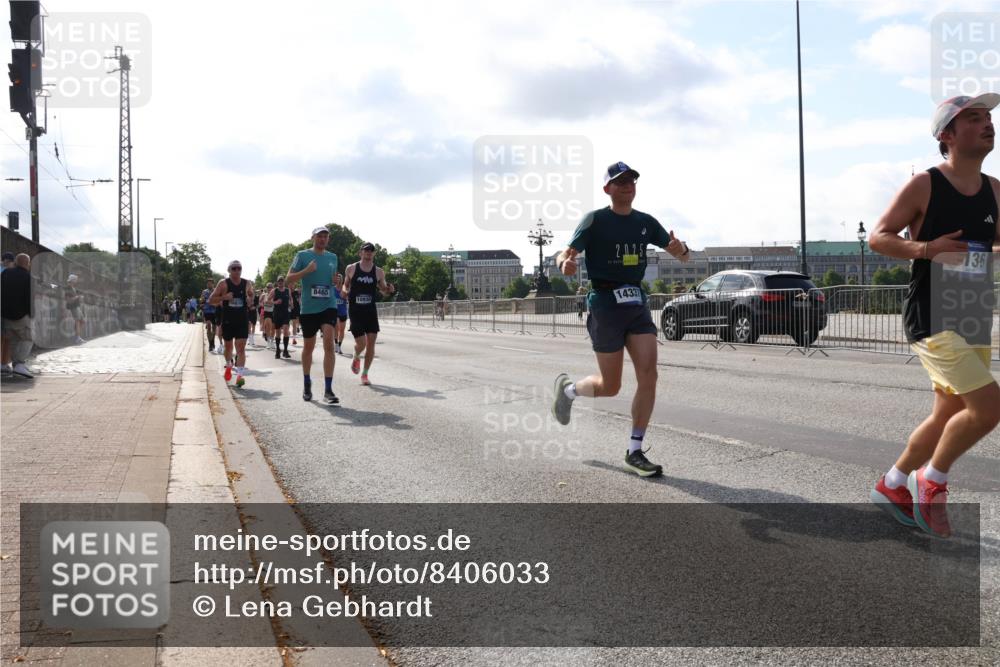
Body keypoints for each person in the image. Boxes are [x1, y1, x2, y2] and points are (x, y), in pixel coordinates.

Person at [868, 94, 1000, 538]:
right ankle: (933, 479)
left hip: (974, 314)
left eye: (988, 118)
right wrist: (927, 248)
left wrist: (985, 252)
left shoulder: (995, 190)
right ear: (947, 134)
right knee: (988, 408)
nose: (987, 124)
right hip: (932, 315)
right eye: (974, 118)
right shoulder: (926, 184)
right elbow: (879, 237)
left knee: (949, 412)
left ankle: (892, 483)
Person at [551, 161, 691, 477]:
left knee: (649, 374)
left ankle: (635, 451)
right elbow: (565, 253)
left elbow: (683, 256)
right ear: (607, 189)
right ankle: (569, 391)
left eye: (631, 180)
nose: (628, 185)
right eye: (620, 181)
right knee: (610, 386)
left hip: (636, 304)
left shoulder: (645, 222)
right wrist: (563, 264)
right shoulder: (595, 220)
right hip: (605, 305)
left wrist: (680, 249)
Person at [286, 227, 340, 404]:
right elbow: (288, 279)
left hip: (328, 305)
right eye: (319, 236)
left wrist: (336, 281)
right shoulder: (302, 255)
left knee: (329, 344)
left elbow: (333, 282)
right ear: (313, 238)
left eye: (325, 236)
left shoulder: (333, 257)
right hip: (309, 309)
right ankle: (307, 383)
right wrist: (306, 271)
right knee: (308, 348)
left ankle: (328, 390)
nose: (323, 239)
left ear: (328, 239)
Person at [342, 241, 395, 386]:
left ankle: (365, 374)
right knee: (361, 343)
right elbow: (346, 285)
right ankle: (356, 355)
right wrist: (345, 291)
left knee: (371, 343)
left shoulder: (379, 271)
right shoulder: (351, 268)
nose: (368, 253)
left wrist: (389, 290)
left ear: (374, 253)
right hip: (355, 311)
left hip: (370, 311)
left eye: (371, 251)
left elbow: (383, 290)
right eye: (366, 250)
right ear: (360, 253)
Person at [208, 261, 254, 388]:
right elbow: (211, 300)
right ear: (229, 270)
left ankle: (240, 376)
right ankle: (229, 364)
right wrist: (224, 297)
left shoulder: (247, 283)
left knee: (241, 348)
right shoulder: (223, 283)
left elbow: (251, 295)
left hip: (242, 320)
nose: (237, 270)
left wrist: (250, 299)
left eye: (239, 268)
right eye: (234, 268)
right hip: (228, 320)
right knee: (228, 348)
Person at [1, 254, 33, 378]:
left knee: (14, 340)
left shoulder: (5, 273)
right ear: (28, 263)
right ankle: (19, 364)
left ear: (15, 262)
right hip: (21, 315)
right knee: (28, 338)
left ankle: (16, 365)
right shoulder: (28, 277)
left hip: (5, 314)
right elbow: (29, 298)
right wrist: (31, 314)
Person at [268, 277, 293, 359]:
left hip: (285, 313)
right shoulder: (274, 290)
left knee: (286, 330)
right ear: (277, 282)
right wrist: (275, 302)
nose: (280, 282)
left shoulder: (288, 290)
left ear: (284, 282)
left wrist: (291, 303)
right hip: (277, 313)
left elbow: (290, 298)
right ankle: (278, 350)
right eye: (279, 281)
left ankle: (285, 350)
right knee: (278, 332)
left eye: (282, 281)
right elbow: (268, 300)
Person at [65, 274, 86, 344]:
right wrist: (77, 297)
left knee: (82, 321)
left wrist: (79, 298)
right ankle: (77, 338)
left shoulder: (73, 288)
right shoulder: (68, 288)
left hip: (77, 306)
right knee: (77, 321)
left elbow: (75, 297)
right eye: (75, 279)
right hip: (73, 307)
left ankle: (76, 336)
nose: (76, 281)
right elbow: (68, 299)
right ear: (72, 280)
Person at [201, 279, 219, 354]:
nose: (209, 285)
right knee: (208, 326)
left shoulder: (216, 291)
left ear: (213, 284)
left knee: (214, 328)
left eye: (210, 283)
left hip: (214, 311)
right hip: (207, 311)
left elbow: (218, 300)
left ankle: (213, 342)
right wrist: (202, 303)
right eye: (208, 283)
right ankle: (210, 344)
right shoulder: (204, 291)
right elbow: (202, 301)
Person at [333, 272, 348, 355]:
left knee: (342, 330)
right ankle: (335, 344)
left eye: (340, 278)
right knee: (337, 328)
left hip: (343, 311)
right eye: (337, 278)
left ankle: (339, 346)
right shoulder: (333, 289)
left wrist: (346, 294)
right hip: (335, 312)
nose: (338, 279)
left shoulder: (344, 288)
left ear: (342, 279)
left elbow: (347, 297)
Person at [261, 282, 276, 349]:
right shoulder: (264, 295)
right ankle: (268, 342)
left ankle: (272, 341)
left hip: (273, 312)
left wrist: (270, 302)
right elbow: (260, 302)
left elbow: (276, 303)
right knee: (268, 326)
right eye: (268, 287)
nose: (269, 288)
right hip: (267, 312)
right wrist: (263, 303)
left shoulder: (275, 295)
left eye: (270, 287)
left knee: (273, 328)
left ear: (272, 288)